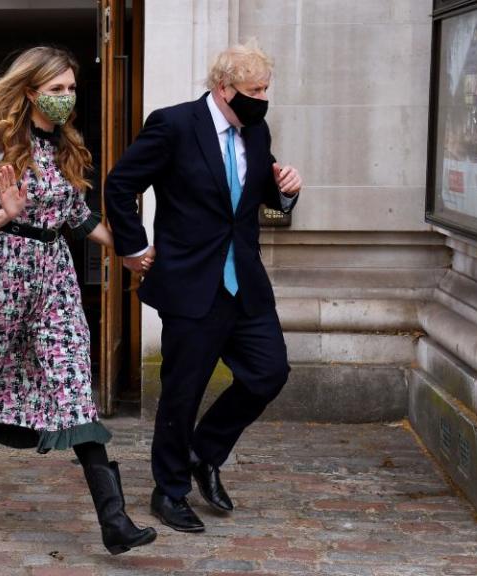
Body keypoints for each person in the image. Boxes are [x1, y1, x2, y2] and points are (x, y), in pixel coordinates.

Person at [0, 46, 156, 555]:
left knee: (73, 382)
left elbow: (78, 216)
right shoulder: (0, 144)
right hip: (0, 276)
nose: (67, 97)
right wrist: (7, 210)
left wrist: (130, 252)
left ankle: (114, 521)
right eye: (56, 89)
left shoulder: (66, 146)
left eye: (71, 88)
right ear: (31, 92)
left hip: (53, 280)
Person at [104, 40, 302, 533]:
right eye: (253, 90)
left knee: (268, 373)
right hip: (192, 284)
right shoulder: (173, 125)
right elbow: (119, 183)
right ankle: (168, 492)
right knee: (182, 392)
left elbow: (260, 197)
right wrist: (132, 247)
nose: (262, 98)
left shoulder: (256, 131)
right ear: (223, 88)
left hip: (246, 284)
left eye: (265, 89)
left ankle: (204, 453)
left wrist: (287, 191)